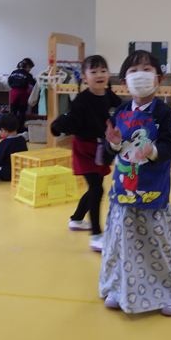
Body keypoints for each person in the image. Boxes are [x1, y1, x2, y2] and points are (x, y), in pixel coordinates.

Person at [99, 50, 171, 316]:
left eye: (147, 69)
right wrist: (114, 143)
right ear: (124, 81)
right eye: (133, 70)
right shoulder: (120, 111)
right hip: (123, 190)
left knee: (157, 241)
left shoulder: (163, 112)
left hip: (153, 190)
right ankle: (118, 288)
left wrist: (152, 151)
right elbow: (111, 149)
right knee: (121, 242)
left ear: (158, 78)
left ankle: (168, 292)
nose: (140, 75)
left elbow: (170, 146)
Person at [50, 55, 121, 252]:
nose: (99, 75)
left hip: (101, 148)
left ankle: (76, 219)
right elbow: (71, 120)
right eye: (94, 71)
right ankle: (96, 235)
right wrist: (57, 126)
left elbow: (121, 108)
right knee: (97, 188)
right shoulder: (82, 100)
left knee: (94, 187)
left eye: (103, 71)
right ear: (84, 77)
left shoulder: (108, 94)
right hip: (85, 149)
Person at [8, 58, 36, 132]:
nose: (30, 70)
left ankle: (11, 129)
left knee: (13, 112)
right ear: (27, 66)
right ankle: (20, 129)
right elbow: (34, 84)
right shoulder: (27, 74)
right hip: (22, 93)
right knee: (22, 112)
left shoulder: (14, 72)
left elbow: (9, 82)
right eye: (30, 68)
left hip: (13, 93)